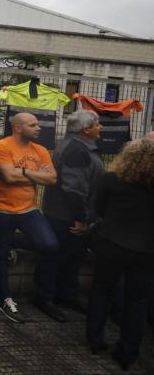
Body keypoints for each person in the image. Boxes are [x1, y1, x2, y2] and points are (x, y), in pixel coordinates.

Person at [86, 138, 154, 371]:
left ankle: (95, 340)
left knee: (101, 291)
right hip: (146, 251)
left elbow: (99, 209)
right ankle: (127, 353)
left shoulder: (111, 179)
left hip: (111, 244)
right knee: (137, 302)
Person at [34, 110, 104, 322]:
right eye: (98, 124)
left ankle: (66, 295)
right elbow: (74, 188)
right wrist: (82, 218)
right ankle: (45, 299)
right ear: (86, 129)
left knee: (73, 258)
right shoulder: (76, 150)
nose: (101, 127)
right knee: (55, 257)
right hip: (67, 217)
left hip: (68, 215)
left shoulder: (80, 146)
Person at [0, 112, 58, 323]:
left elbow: (53, 179)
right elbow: (9, 177)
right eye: (33, 125)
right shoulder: (1, 146)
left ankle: (43, 297)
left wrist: (25, 171)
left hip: (29, 209)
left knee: (50, 245)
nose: (39, 128)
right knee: (0, 254)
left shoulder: (40, 150)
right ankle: (5, 298)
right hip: (1, 209)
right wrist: (37, 175)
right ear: (18, 127)